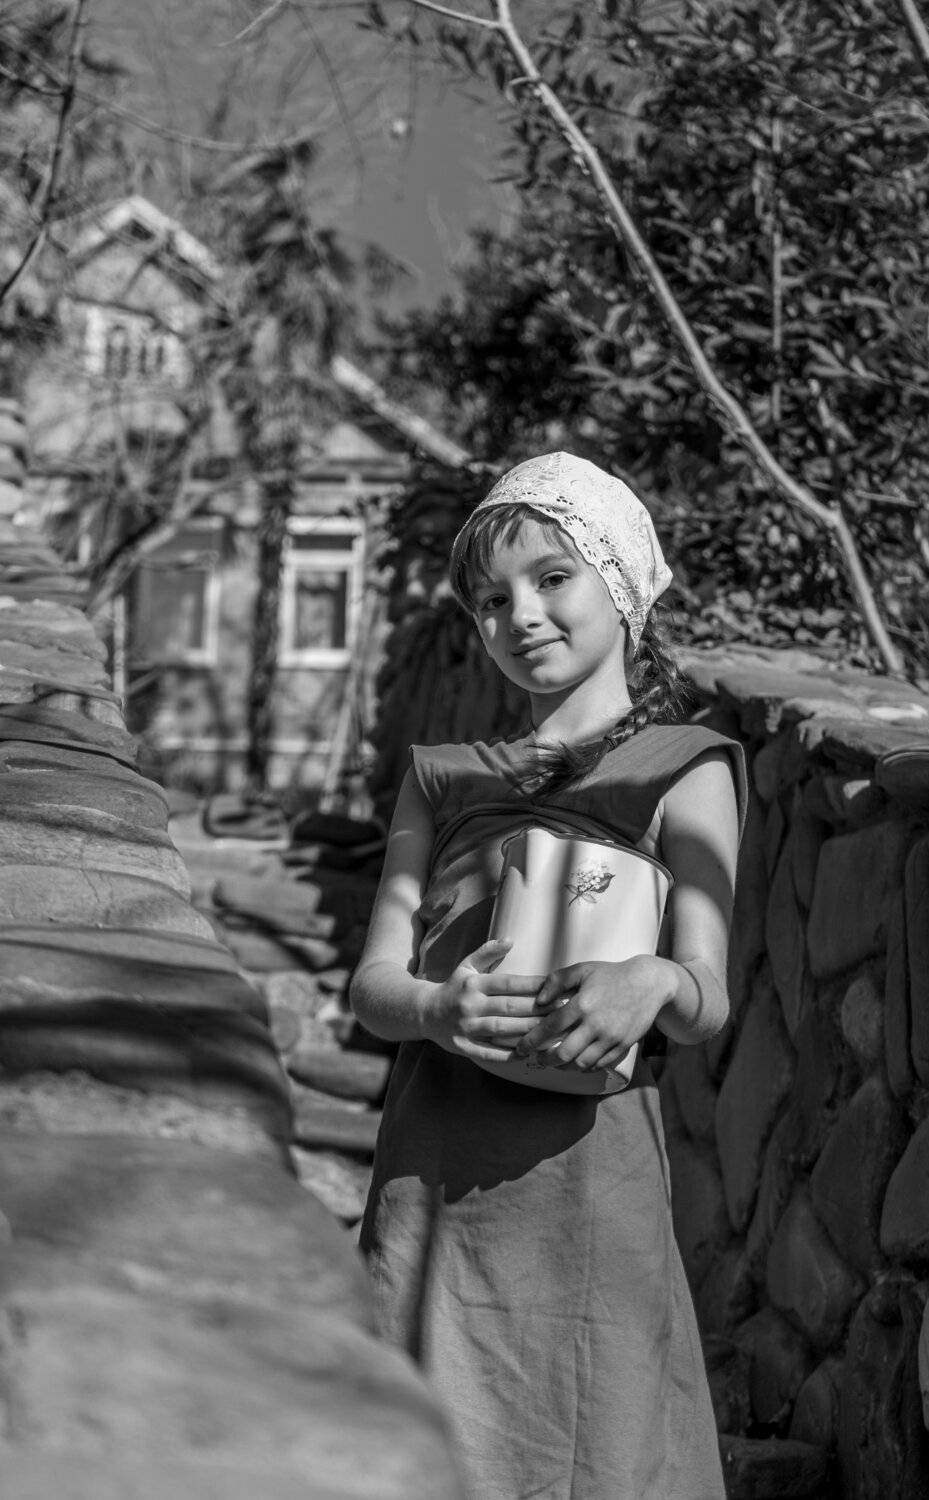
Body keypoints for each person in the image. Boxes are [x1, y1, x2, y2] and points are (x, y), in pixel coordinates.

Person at [350, 451, 746, 1500]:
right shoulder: (440, 780)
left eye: (551, 578)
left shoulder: (687, 767)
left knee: (598, 1449)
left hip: (590, 1189)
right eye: (490, 600)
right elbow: (372, 987)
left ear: (619, 584)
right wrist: (436, 1006)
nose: (518, 615)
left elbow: (706, 995)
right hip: (432, 1180)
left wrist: (653, 981)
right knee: (421, 1452)